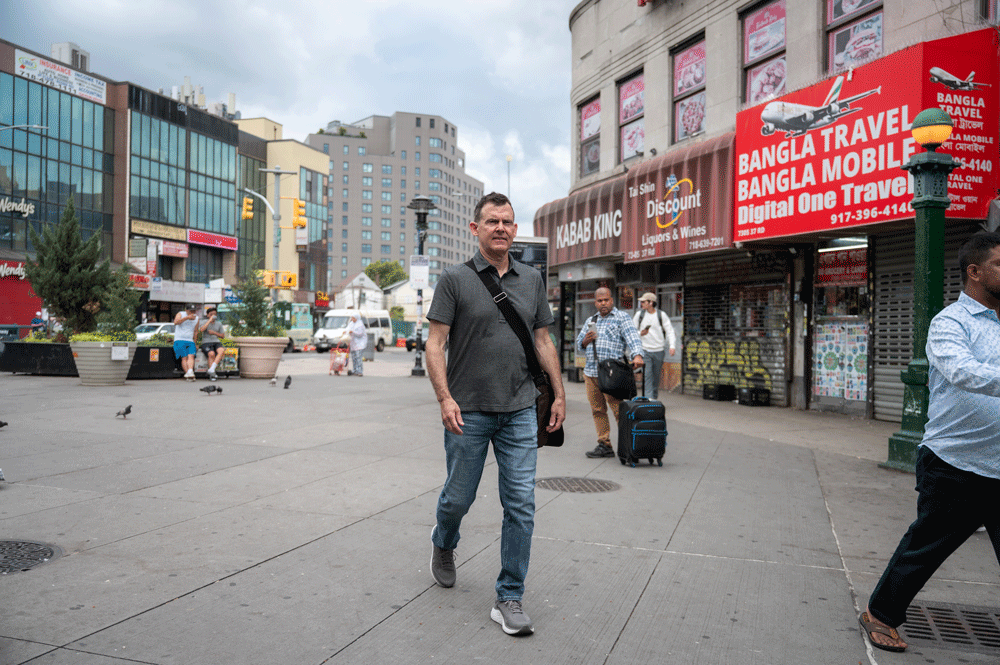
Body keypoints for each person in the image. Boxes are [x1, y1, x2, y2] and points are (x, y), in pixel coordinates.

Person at [425, 191, 565, 637]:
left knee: (521, 503)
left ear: (515, 228)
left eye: (507, 221)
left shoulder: (532, 279)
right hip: (468, 411)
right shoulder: (455, 279)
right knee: (457, 499)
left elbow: (543, 340)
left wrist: (559, 394)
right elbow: (435, 343)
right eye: (492, 221)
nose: (500, 228)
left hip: (521, 409)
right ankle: (444, 541)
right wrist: (445, 398)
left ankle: (509, 596)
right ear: (475, 229)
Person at [859, 232, 1000, 653]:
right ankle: (880, 614)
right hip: (954, 462)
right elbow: (962, 371)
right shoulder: (949, 323)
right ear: (974, 272)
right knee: (925, 547)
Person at [576, 287, 644, 458]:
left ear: (612, 300)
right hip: (591, 373)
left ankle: (630, 445)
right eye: (600, 301)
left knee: (619, 410)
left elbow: (633, 338)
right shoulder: (592, 320)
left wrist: (637, 355)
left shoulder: (621, 318)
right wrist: (586, 340)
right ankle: (604, 444)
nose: (603, 303)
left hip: (612, 374)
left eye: (606, 300)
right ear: (595, 303)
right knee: (597, 410)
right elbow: (579, 344)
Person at [632, 292, 676, 399]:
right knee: (647, 376)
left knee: (655, 378)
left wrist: (672, 346)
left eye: (643, 302)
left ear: (651, 302)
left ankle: (653, 398)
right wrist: (640, 333)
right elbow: (632, 331)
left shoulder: (661, 315)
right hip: (645, 350)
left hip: (659, 350)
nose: (641, 304)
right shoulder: (639, 315)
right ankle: (649, 399)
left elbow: (670, 331)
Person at [198, 307, 226, 381]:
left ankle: (212, 369)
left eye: (215, 314)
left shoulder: (219, 323)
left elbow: (222, 336)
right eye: (211, 314)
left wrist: (214, 333)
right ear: (207, 315)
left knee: (221, 351)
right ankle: (212, 374)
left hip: (216, 341)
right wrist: (209, 320)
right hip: (206, 342)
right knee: (211, 354)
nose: (213, 316)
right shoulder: (204, 321)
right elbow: (201, 330)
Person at [173, 304, 200, 382]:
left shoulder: (197, 318)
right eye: (191, 311)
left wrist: (195, 342)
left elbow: (196, 331)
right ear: (186, 310)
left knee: (191, 356)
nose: (192, 312)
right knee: (184, 357)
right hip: (179, 339)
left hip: (190, 340)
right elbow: (176, 322)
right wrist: (187, 317)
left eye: (194, 311)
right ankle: (189, 374)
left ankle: (190, 372)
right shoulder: (181, 314)